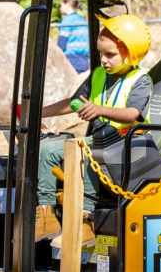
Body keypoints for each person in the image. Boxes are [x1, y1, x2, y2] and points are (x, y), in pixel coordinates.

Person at [36, 14, 152, 248]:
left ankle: (85, 221)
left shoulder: (141, 79)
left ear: (131, 53)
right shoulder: (99, 74)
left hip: (128, 143)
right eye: (101, 54)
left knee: (88, 154)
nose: (104, 60)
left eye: (110, 55)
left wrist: (99, 110)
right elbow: (75, 102)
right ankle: (46, 215)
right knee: (46, 149)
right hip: (99, 138)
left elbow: (133, 114)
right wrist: (39, 112)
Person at [57, 0, 90, 73]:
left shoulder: (67, 21)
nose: (60, 8)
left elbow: (61, 43)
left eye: (61, 5)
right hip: (84, 61)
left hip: (71, 60)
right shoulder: (81, 19)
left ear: (67, 4)